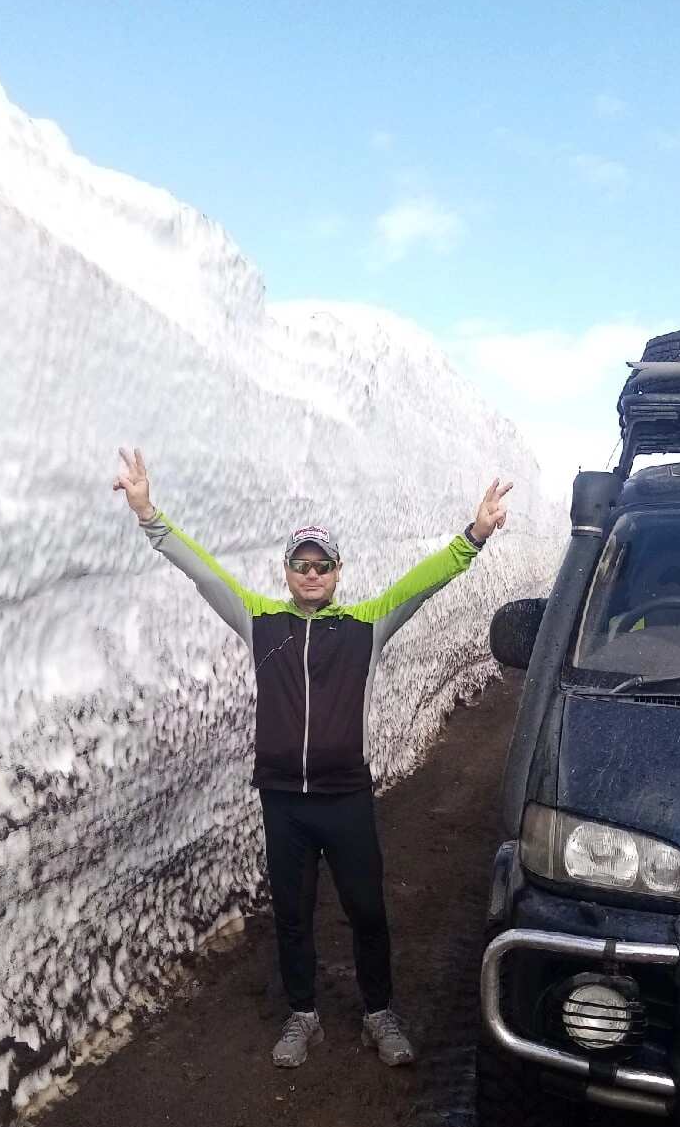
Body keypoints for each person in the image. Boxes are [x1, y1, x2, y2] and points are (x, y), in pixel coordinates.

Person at [112, 449, 512, 1069]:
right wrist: (148, 517)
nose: (311, 573)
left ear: (337, 573)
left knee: (367, 910)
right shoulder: (260, 620)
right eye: (301, 564)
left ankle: (379, 1011)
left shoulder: (365, 624)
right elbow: (204, 572)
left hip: (345, 797)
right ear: (287, 572)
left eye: (322, 564)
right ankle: (304, 1016)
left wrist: (475, 536)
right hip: (284, 801)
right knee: (293, 916)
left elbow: (424, 581)